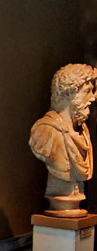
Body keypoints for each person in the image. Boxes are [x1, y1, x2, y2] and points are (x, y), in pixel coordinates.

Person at [29, 63, 96, 215]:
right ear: (69, 93)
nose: (93, 97)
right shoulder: (45, 131)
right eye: (87, 91)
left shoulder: (82, 132)